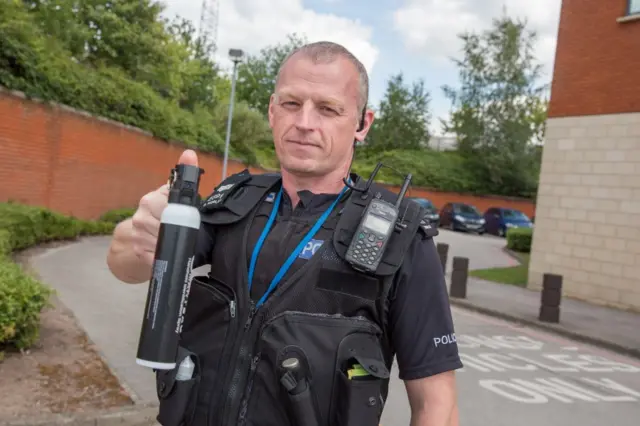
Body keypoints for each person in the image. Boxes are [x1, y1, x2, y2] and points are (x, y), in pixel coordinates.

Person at [107, 41, 462, 426]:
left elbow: (435, 404)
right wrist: (139, 238)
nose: (305, 122)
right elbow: (127, 266)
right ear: (272, 111)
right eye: (292, 104)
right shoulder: (236, 201)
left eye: (327, 108)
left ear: (362, 124)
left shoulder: (401, 237)